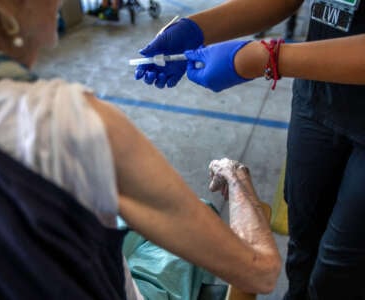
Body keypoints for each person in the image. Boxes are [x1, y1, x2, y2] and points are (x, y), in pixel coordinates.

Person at [0, 0, 281, 298]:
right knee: (199, 219)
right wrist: (236, 178)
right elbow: (261, 273)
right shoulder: (62, 124)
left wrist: (197, 27)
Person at [134, 1, 365, 299]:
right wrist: (196, 29)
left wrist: (264, 58)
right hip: (319, 96)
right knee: (303, 240)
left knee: (341, 269)